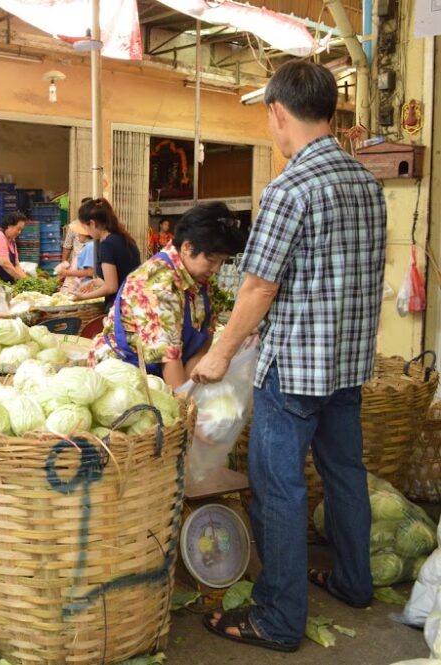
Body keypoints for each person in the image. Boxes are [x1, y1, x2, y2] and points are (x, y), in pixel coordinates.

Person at [193, 60, 386, 653]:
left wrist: (221, 353)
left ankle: (277, 620)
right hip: (348, 365)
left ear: (278, 112)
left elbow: (259, 287)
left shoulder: (289, 188)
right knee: (344, 475)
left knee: (277, 486)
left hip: (296, 372)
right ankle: (355, 583)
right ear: (330, 111)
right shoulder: (368, 184)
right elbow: (334, 277)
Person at [93, 202, 243, 389]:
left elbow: (207, 331)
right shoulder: (157, 283)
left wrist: (190, 385)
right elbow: (168, 359)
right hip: (124, 376)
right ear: (187, 247)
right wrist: (184, 402)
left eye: (222, 262)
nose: (216, 269)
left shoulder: (198, 276)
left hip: (166, 374)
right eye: (212, 260)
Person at [74, 198, 141, 311]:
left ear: (92, 223)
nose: (86, 232)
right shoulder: (124, 238)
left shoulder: (107, 245)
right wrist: (95, 282)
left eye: (85, 227)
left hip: (120, 308)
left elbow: (111, 287)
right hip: (134, 302)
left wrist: (83, 297)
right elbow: (121, 275)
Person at [57, 220, 95, 293]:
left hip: (85, 287)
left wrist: (67, 272)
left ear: (85, 234)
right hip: (80, 285)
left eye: (79, 233)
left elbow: (89, 272)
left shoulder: (90, 247)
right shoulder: (87, 246)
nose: (77, 235)